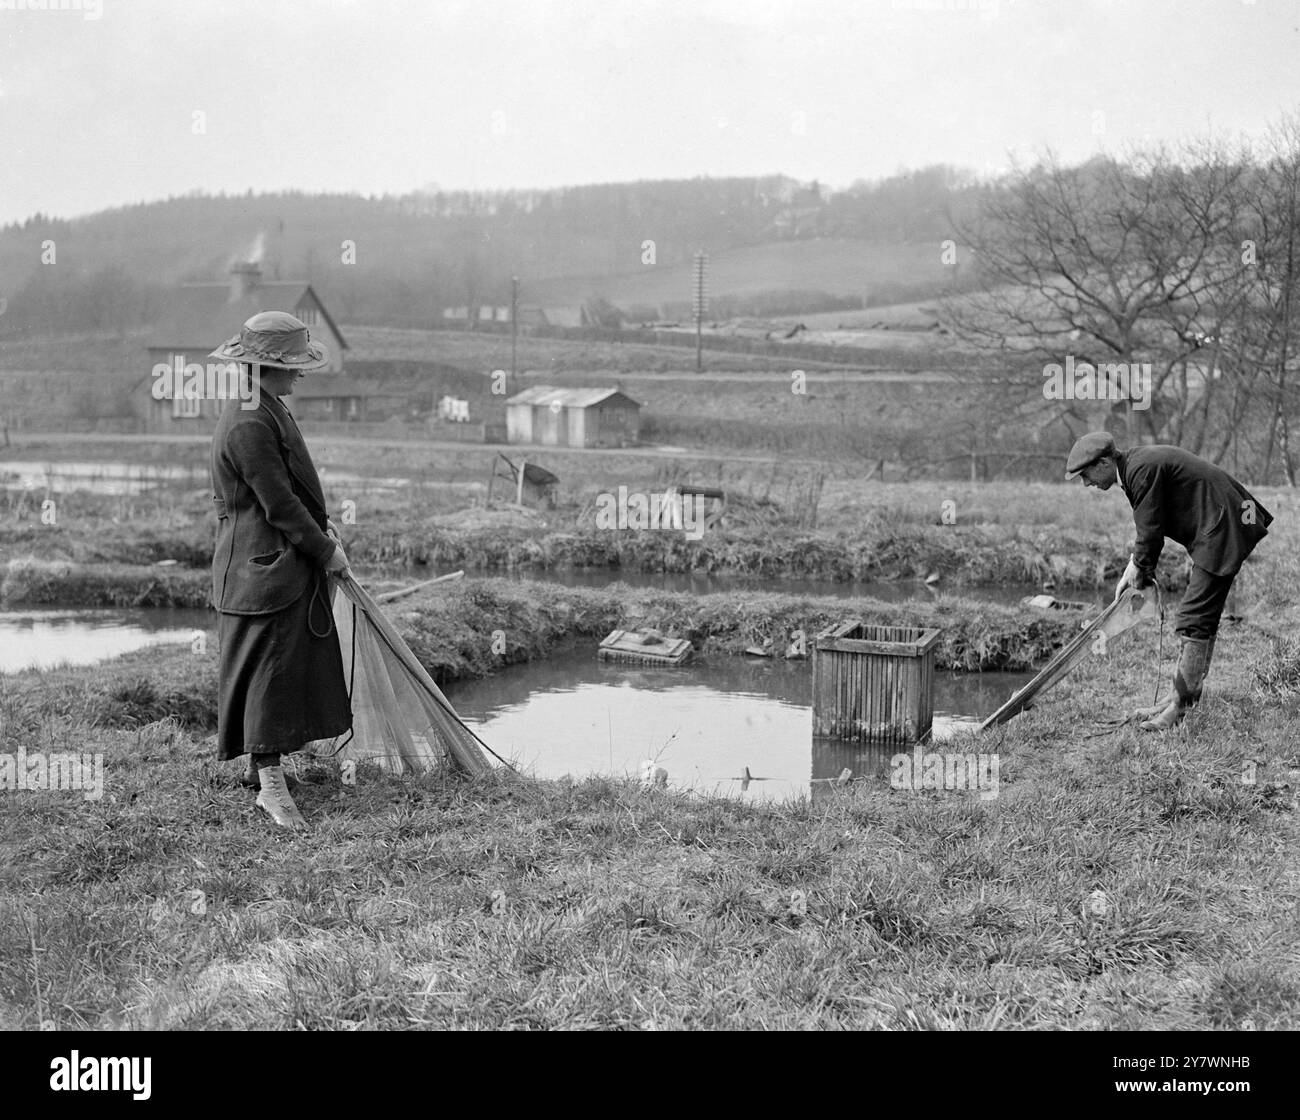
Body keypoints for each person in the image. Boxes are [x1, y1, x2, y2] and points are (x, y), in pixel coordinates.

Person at [208, 311, 353, 827]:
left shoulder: (266, 406)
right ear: (267, 365)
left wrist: (325, 529)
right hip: (262, 567)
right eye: (293, 364)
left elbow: (295, 493)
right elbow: (280, 506)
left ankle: (260, 770)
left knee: (281, 667)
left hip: (270, 563)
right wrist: (325, 550)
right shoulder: (250, 421)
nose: (301, 373)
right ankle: (270, 787)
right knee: (270, 671)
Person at [1065, 431, 1273, 732]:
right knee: (1202, 617)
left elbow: (1150, 535)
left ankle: (1180, 706)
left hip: (1226, 526)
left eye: (1086, 475)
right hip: (1222, 524)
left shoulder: (1140, 470)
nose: (1086, 483)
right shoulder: (1134, 468)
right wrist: (1132, 570)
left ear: (1105, 462)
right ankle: (1180, 695)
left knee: (1194, 618)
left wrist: (1140, 569)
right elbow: (1150, 525)